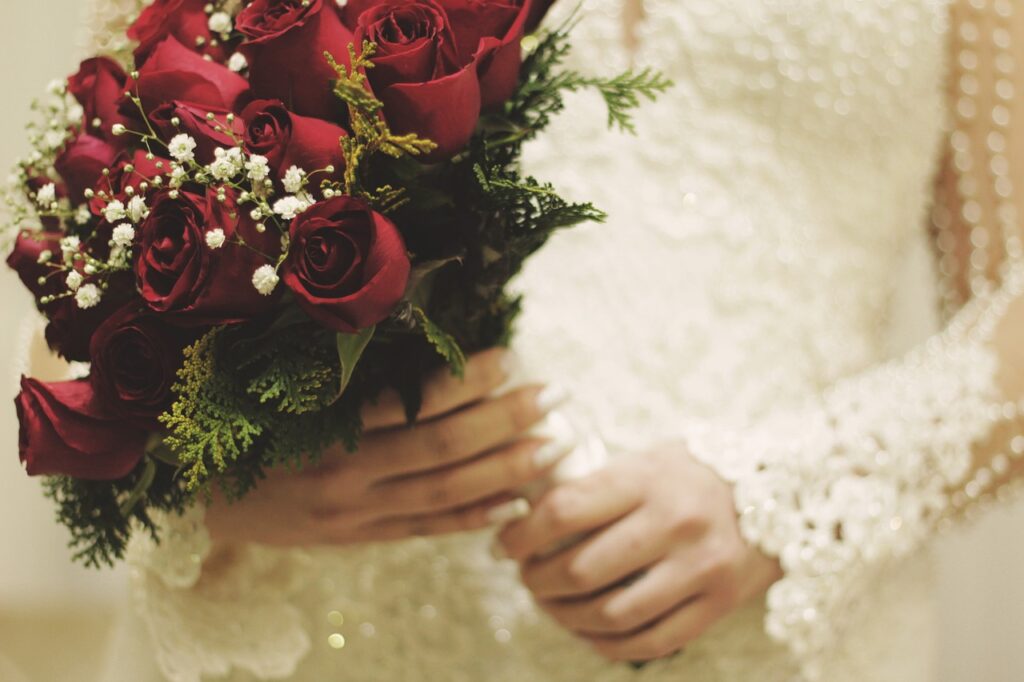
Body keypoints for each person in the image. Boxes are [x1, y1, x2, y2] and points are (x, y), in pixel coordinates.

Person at [89, 0, 1024, 680]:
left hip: (781, 640)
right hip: (331, 627)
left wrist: (789, 497)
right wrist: (212, 485)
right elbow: (83, 249)